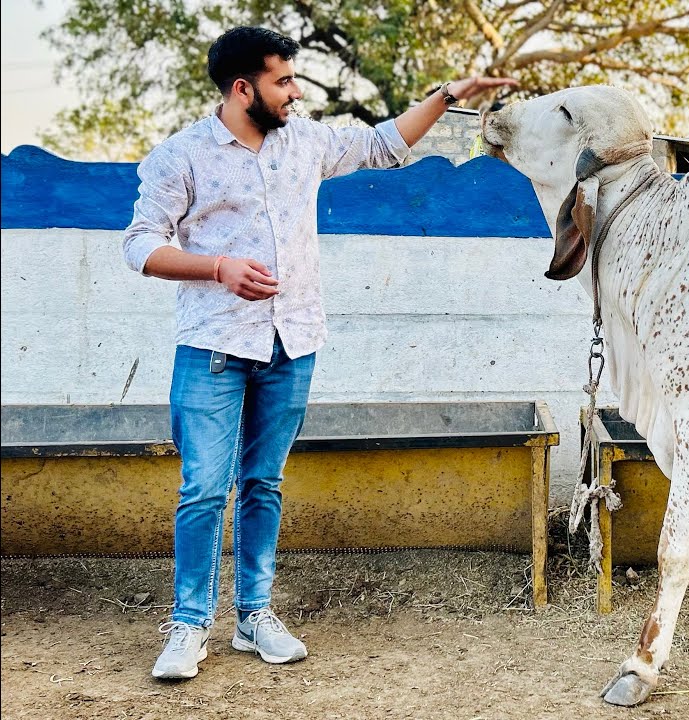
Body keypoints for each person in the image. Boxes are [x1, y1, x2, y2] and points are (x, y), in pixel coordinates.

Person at [122, 25, 517, 680]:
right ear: (243, 87)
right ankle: (189, 626)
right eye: (283, 80)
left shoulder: (305, 141)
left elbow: (383, 145)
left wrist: (447, 95)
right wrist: (217, 267)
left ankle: (254, 617)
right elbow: (139, 245)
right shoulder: (181, 156)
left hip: (292, 341)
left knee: (263, 483)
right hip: (213, 345)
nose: (295, 91)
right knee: (201, 491)